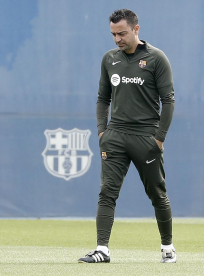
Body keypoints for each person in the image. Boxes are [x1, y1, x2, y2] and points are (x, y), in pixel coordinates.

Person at [78, 9, 176, 263]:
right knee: (107, 192)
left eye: (122, 33)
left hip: (146, 139)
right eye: (113, 34)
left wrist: (159, 138)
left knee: (157, 194)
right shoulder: (109, 59)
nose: (117, 39)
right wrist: (102, 131)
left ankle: (167, 247)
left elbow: (168, 101)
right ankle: (102, 249)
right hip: (115, 137)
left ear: (136, 29)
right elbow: (102, 98)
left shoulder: (156, 58)